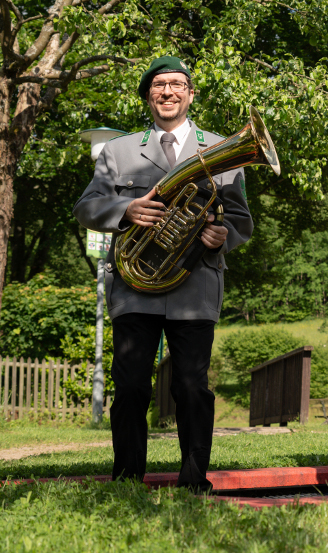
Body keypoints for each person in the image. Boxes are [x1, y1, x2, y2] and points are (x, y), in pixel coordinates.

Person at [74, 56, 255, 492]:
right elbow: (85, 207)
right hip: (135, 287)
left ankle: (194, 480)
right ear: (148, 96)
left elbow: (241, 220)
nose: (168, 92)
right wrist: (125, 209)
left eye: (177, 84)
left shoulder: (222, 146)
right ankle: (127, 478)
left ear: (191, 94)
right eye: (159, 85)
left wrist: (221, 233)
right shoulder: (118, 150)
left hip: (195, 285)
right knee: (132, 384)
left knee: (192, 387)